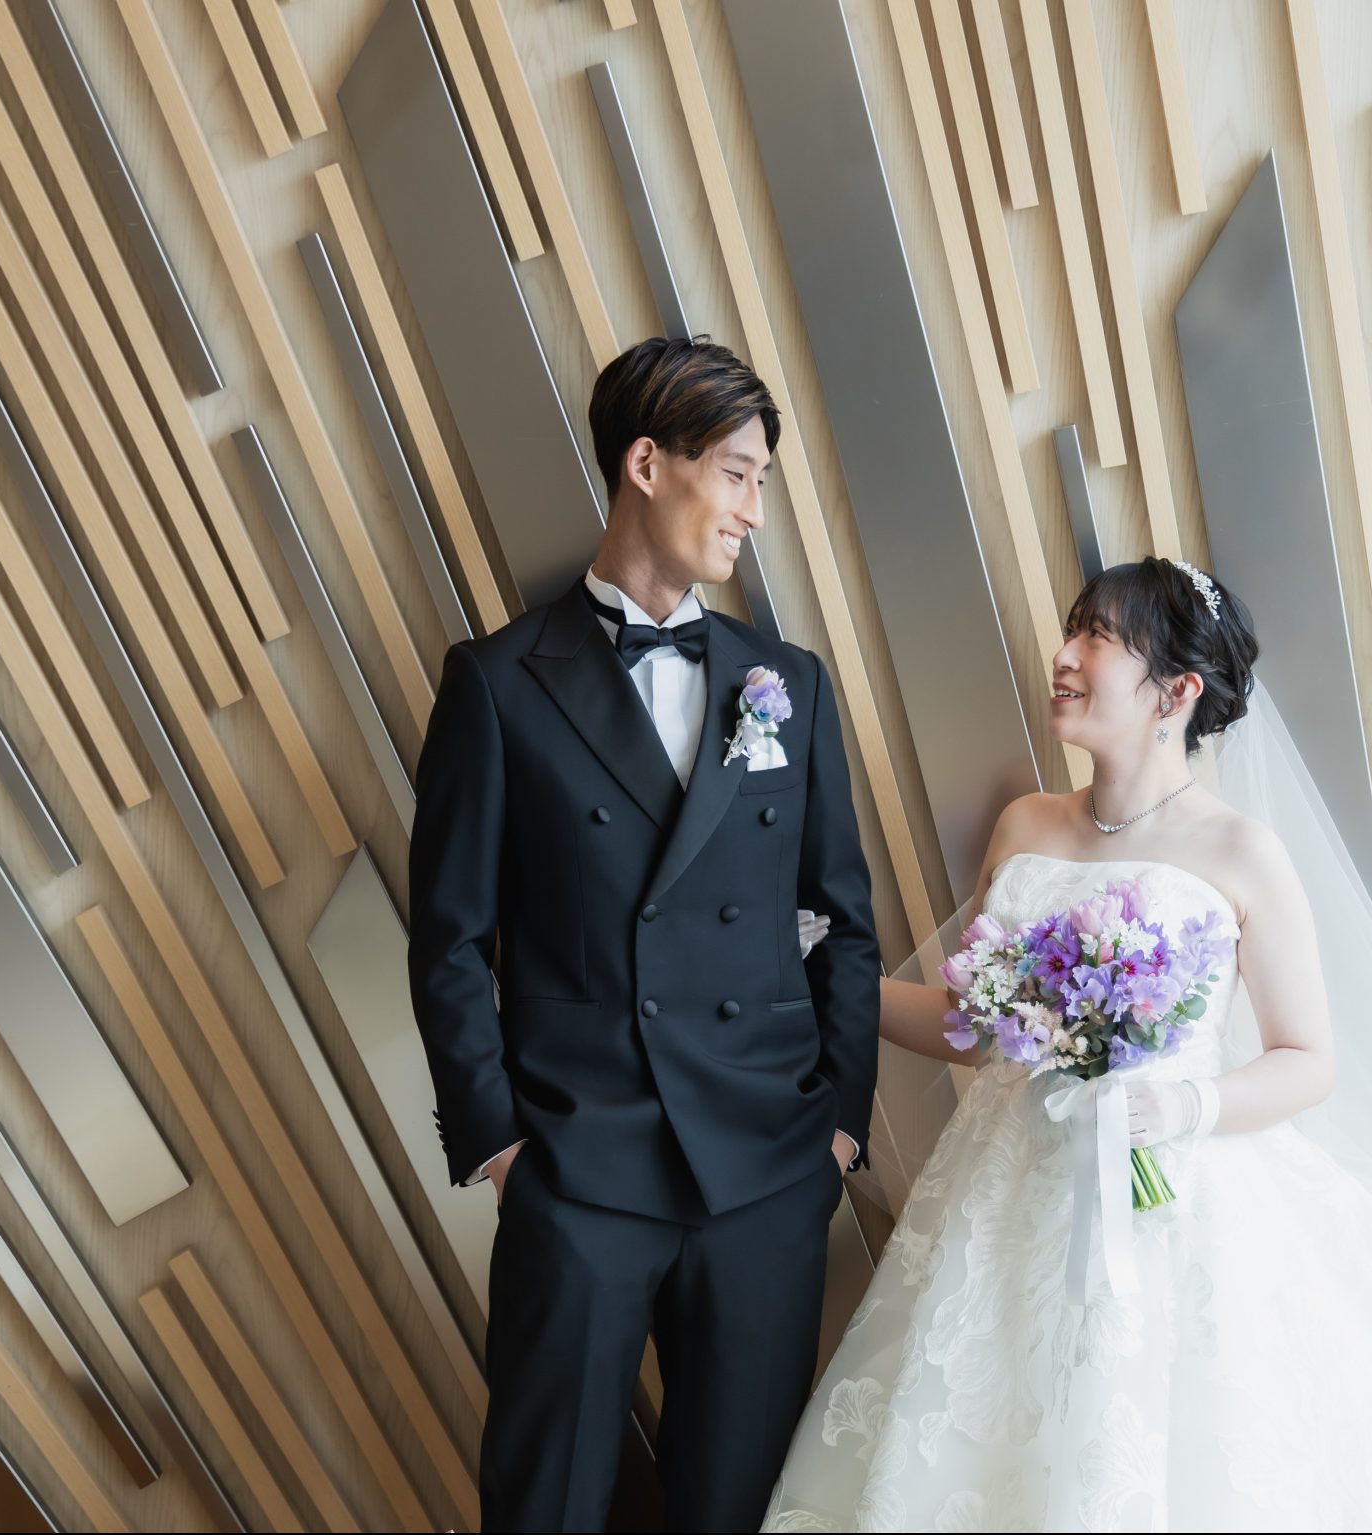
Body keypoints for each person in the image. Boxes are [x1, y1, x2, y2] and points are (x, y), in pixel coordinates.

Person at [766, 556, 1372, 1532]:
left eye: (1096, 639)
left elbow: (1306, 1057)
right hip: (1005, 1193)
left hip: (1170, 1194)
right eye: (1069, 630)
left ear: (1174, 691)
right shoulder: (1024, 824)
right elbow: (972, 1029)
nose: (1062, 656)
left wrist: (1189, 1104)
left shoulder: (1239, 850)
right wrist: (821, 976)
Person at [407, 336, 880, 1532]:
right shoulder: (498, 681)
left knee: (735, 1505)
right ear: (646, 464)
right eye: (736, 473)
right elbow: (449, 939)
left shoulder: (787, 681)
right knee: (547, 1501)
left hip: (766, 1166)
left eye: (761, 481)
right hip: (579, 1164)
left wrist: (836, 1123)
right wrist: (499, 1142)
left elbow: (843, 920)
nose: (753, 511)